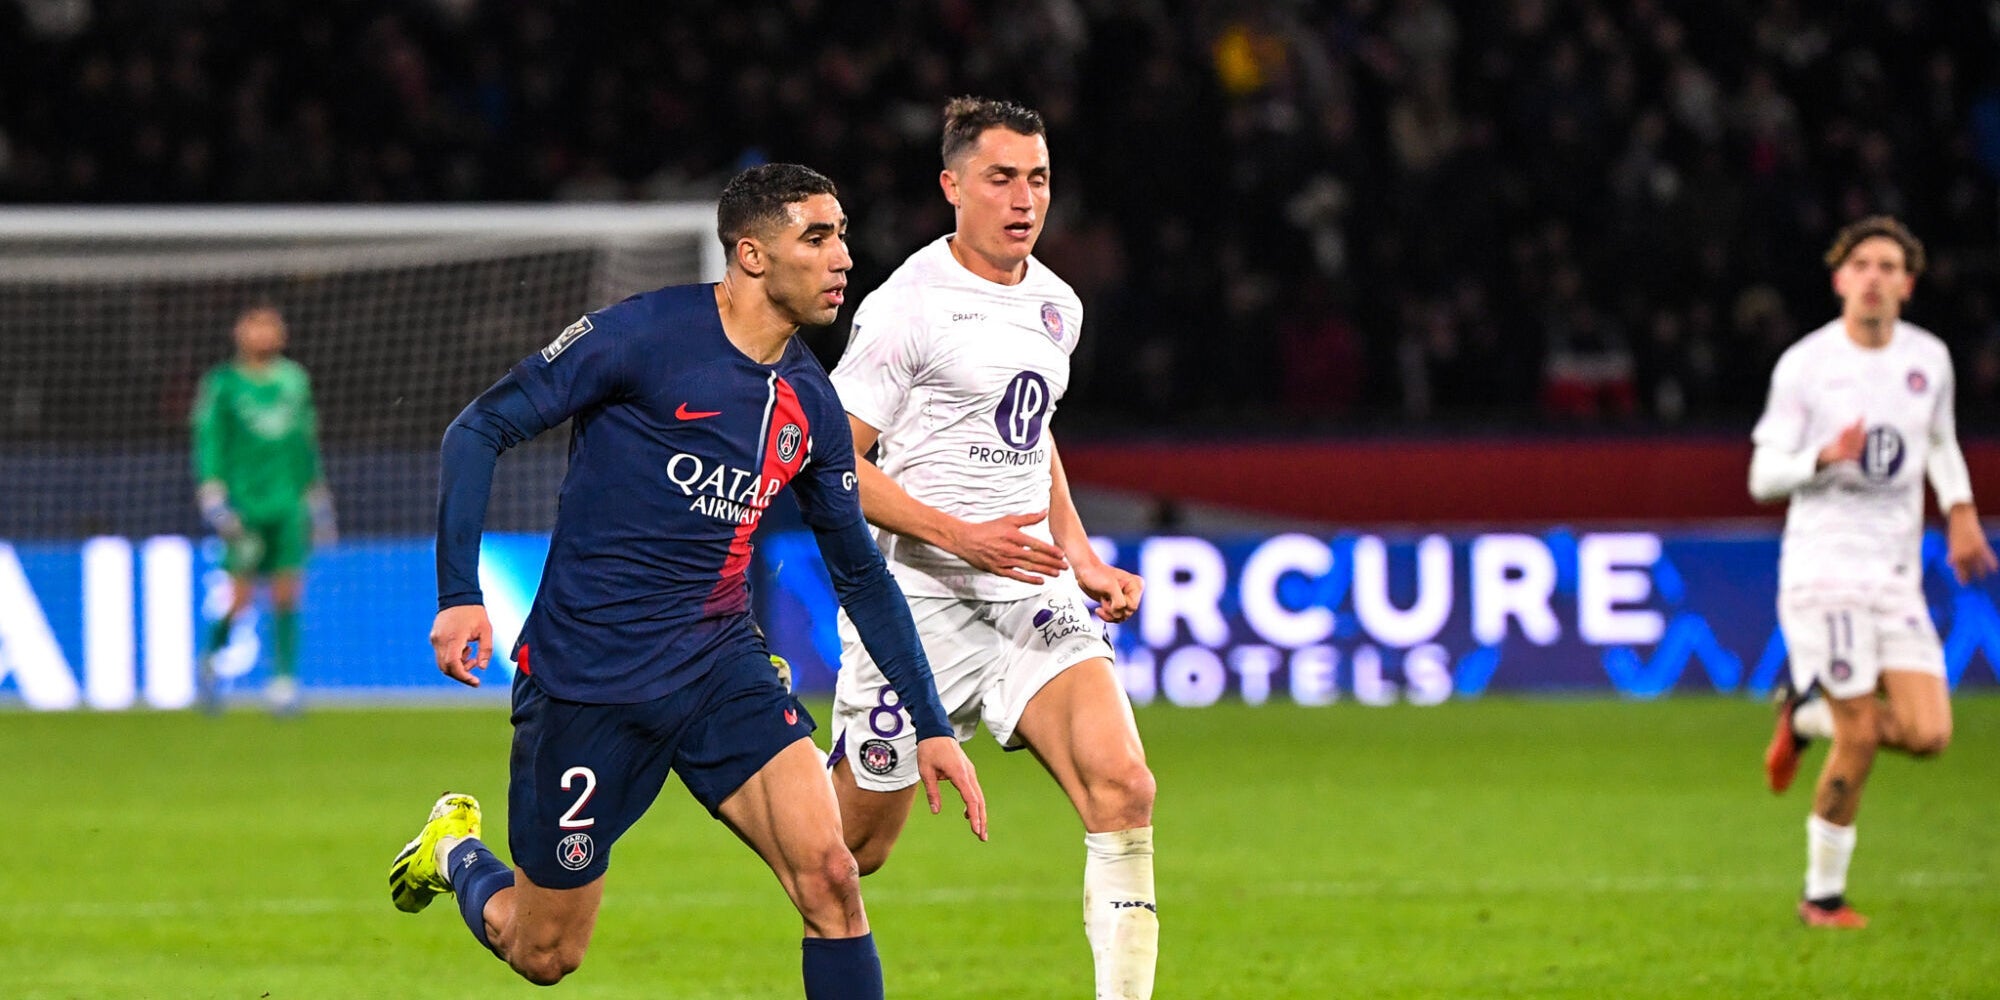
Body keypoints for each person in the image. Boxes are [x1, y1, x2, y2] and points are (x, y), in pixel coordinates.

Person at [387, 163, 987, 996]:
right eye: (816, 237)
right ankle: (456, 853)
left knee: (831, 878)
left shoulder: (809, 402)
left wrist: (931, 723)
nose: (843, 256)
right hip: (588, 682)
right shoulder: (643, 336)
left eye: (842, 233)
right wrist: (458, 595)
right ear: (750, 255)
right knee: (545, 952)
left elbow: (859, 571)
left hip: (717, 669)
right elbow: (477, 428)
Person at [825, 97, 1157, 998]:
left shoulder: (1058, 306)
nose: (1023, 199)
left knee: (1124, 788)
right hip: (918, 605)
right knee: (852, 853)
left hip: (1028, 596)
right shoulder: (906, 308)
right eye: (1001, 178)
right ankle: (773, 771)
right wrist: (960, 535)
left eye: (1038, 179)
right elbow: (834, 463)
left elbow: (1031, 432)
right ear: (952, 187)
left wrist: (1078, 553)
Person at [1750, 215, 1997, 929]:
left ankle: (1803, 714)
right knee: (1859, 737)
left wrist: (1959, 509)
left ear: (1908, 285)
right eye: (1862, 264)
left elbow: (1941, 441)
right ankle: (1820, 898)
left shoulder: (1929, 360)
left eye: (1890, 267)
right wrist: (1822, 458)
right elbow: (1762, 474)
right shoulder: (1804, 366)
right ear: (1839, 280)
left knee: (1928, 735)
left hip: (1895, 575)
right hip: (1823, 572)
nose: (1875, 277)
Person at [188, 304, 335, 714]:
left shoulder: (294, 380)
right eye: (255, 327)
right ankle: (210, 663)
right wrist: (212, 492)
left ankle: (284, 682)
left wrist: (317, 496)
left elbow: (305, 441)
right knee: (240, 597)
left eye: (271, 327)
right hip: (245, 503)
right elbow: (210, 439)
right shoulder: (223, 384)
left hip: (288, 502)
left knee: (288, 591)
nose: (264, 334)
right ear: (240, 333)